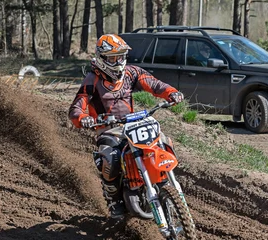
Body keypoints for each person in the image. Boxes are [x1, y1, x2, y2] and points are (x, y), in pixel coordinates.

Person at [68, 34, 184, 218]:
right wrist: (83, 118)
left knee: (162, 140)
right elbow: (76, 108)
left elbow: (154, 84)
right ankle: (112, 196)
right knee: (112, 158)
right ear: (103, 58)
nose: (119, 61)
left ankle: (164, 180)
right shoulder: (92, 81)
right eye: (114, 57)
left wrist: (171, 93)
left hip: (133, 123)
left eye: (121, 56)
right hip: (108, 129)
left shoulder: (131, 73)